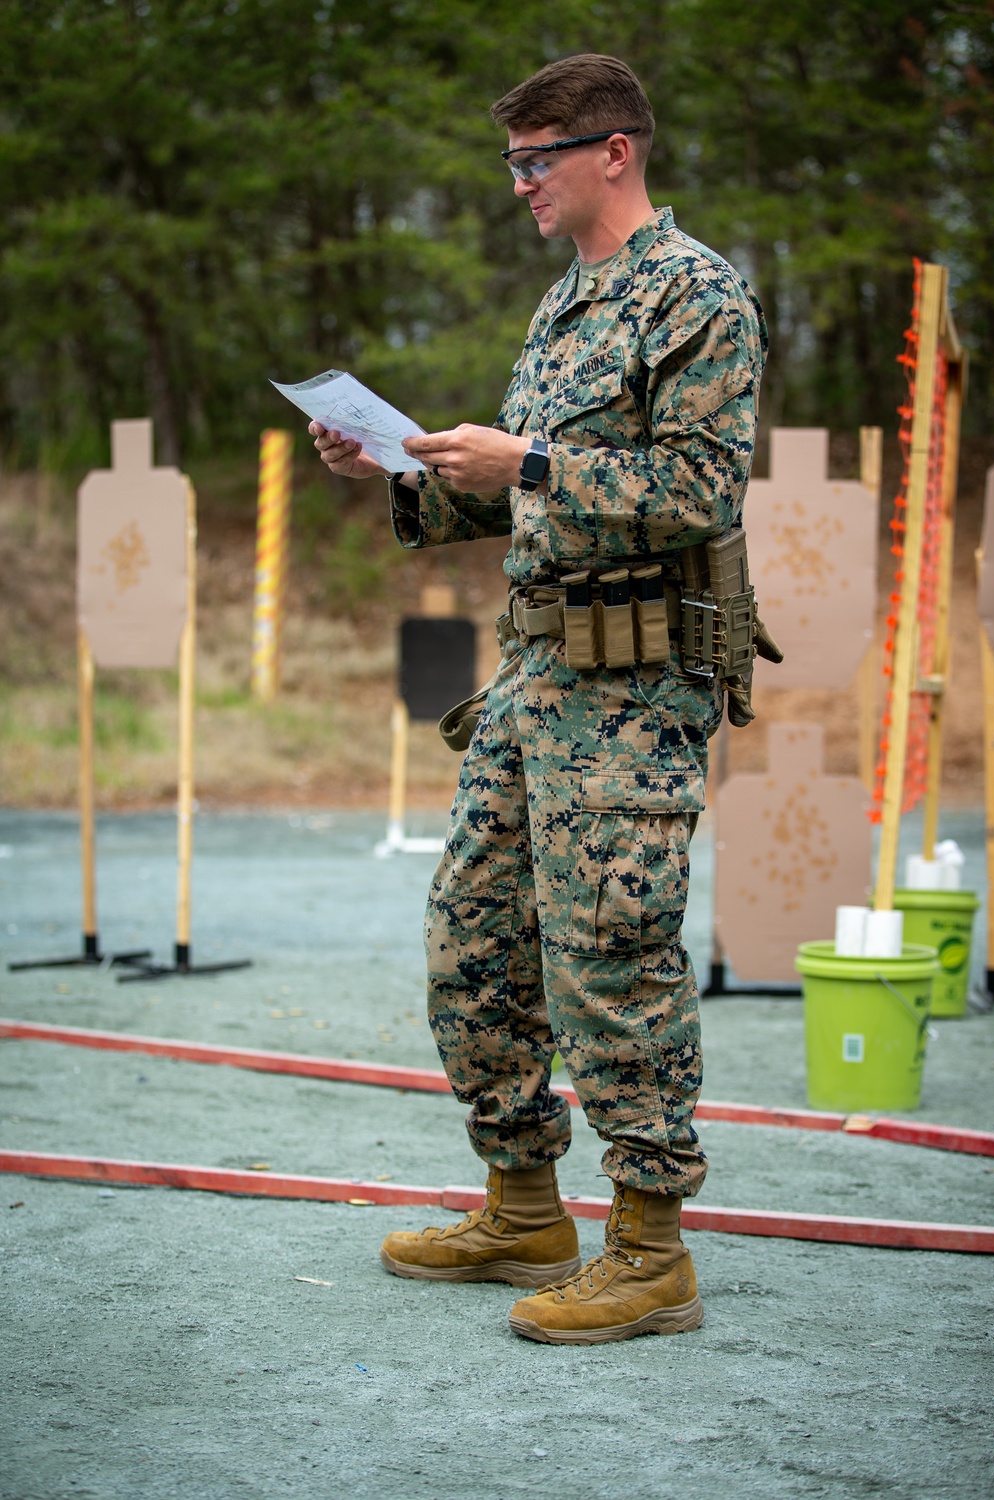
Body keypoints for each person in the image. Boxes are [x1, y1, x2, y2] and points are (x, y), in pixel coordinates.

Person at [311, 53, 767, 1345]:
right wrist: (398, 468)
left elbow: (697, 490)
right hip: (537, 677)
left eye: (539, 159)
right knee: (475, 943)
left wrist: (538, 456)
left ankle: (649, 1249)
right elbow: (523, 489)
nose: (520, 185)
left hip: (632, 690)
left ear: (614, 150)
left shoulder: (697, 295)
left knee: (612, 956)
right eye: (511, 163)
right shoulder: (566, 306)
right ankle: (524, 1207)